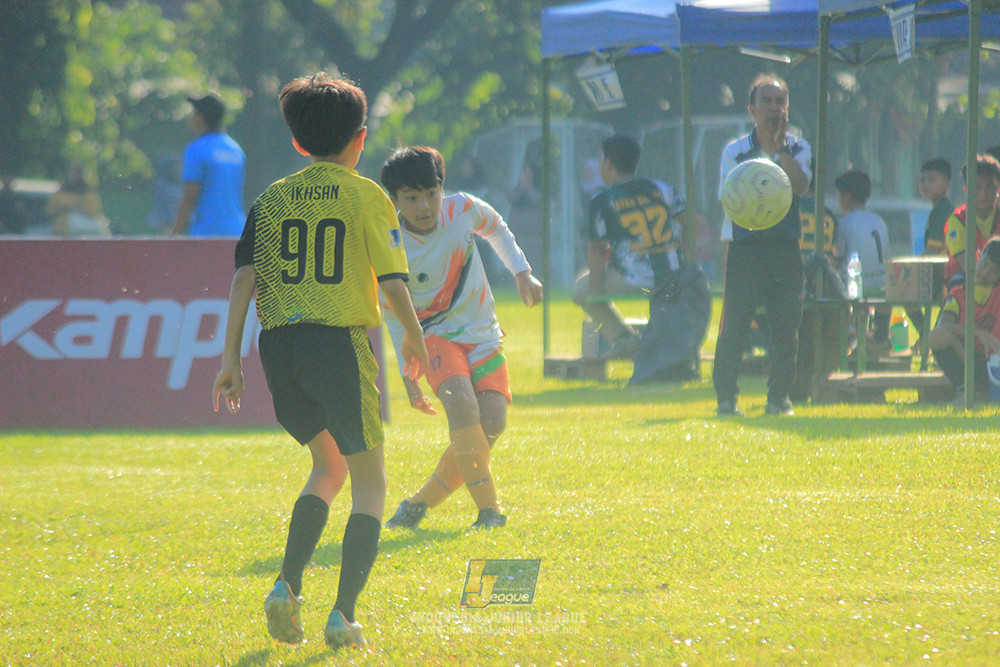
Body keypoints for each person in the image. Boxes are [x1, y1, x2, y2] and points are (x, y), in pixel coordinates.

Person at [211, 73, 428, 651]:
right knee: (371, 484)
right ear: (361, 139)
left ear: (298, 144)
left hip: (278, 347)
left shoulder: (271, 199)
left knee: (326, 468)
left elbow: (242, 280)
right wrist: (415, 338)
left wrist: (228, 358)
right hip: (339, 343)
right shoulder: (367, 195)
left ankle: (285, 585)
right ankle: (343, 615)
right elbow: (391, 279)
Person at [378, 145, 543, 531]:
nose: (424, 205)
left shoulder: (462, 209)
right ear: (394, 199)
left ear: (442, 188)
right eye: (411, 197)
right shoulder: (388, 242)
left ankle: (417, 505)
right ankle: (490, 512)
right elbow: (392, 312)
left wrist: (521, 272)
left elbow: (497, 227)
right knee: (462, 407)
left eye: (431, 193)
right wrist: (408, 369)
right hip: (432, 335)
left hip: (483, 331)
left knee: (493, 424)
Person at [713, 74, 812, 417]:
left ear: (787, 107)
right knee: (735, 325)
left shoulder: (798, 147)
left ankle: (779, 400)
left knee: (786, 325)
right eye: (766, 101)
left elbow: (800, 186)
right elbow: (727, 197)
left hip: (785, 248)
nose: (773, 108)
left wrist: (780, 146)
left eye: (779, 101)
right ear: (751, 108)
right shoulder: (735, 151)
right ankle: (726, 399)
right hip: (745, 248)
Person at [573, 135, 691, 360]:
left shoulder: (604, 199)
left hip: (632, 277)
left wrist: (594, 292)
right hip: (671, 275)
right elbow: (691, 222)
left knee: (580, 287)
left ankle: (623, 338)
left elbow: (597, 250)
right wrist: (681, 256)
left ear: (608, 164)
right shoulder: (661, 188)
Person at [929, 236, 1000, 402]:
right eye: (984, 265)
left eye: (994, 271)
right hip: (966, 355)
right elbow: (943, 327)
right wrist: (978, 334)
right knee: (937, 336)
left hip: (994, 360)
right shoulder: (959, 294)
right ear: (978, 258)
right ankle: (967, 387)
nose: (985, 273)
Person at [171, 93, 246, 236]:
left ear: (200, 118)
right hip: (237, 231)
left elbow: (190, 196)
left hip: (207, 233)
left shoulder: (197, 149)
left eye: (194, 113)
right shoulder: (236, 149)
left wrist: (175, 233)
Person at [833, 169, 892, 350]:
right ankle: (881, 334)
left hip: (857, 285)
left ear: (846, 198)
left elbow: (839, 258)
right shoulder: (879, 220)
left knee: (838, 279)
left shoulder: (843, 222)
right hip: (883, 283)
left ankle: (850, 337)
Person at [906, 158, 954, 336]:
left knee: (903, 292)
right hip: (939, 274)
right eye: (922, 180)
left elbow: (933, 251)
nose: (925, 184)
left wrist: (910, 266)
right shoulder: (938, 209)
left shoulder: (942, 210)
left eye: (932, 180)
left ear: (947, 184)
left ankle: (927, 336)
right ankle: (928, 336)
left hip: (943, 276)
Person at [943, 154, 1000, 287]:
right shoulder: (957, 221)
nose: (983, 194)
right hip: (965, 281)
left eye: (989, 187)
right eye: (977, 187)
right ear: (966, 190)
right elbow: (968, 265)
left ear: (997, 189)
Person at [46, 164, 111, 237]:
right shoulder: (59, 193)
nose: (72, 177)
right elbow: (50, 211)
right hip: (63, 233)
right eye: (70, 174)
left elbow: (95, 212)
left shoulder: (88, 194)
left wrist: (79, 209)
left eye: (75, 174)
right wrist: (63, 209)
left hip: (86, 233)